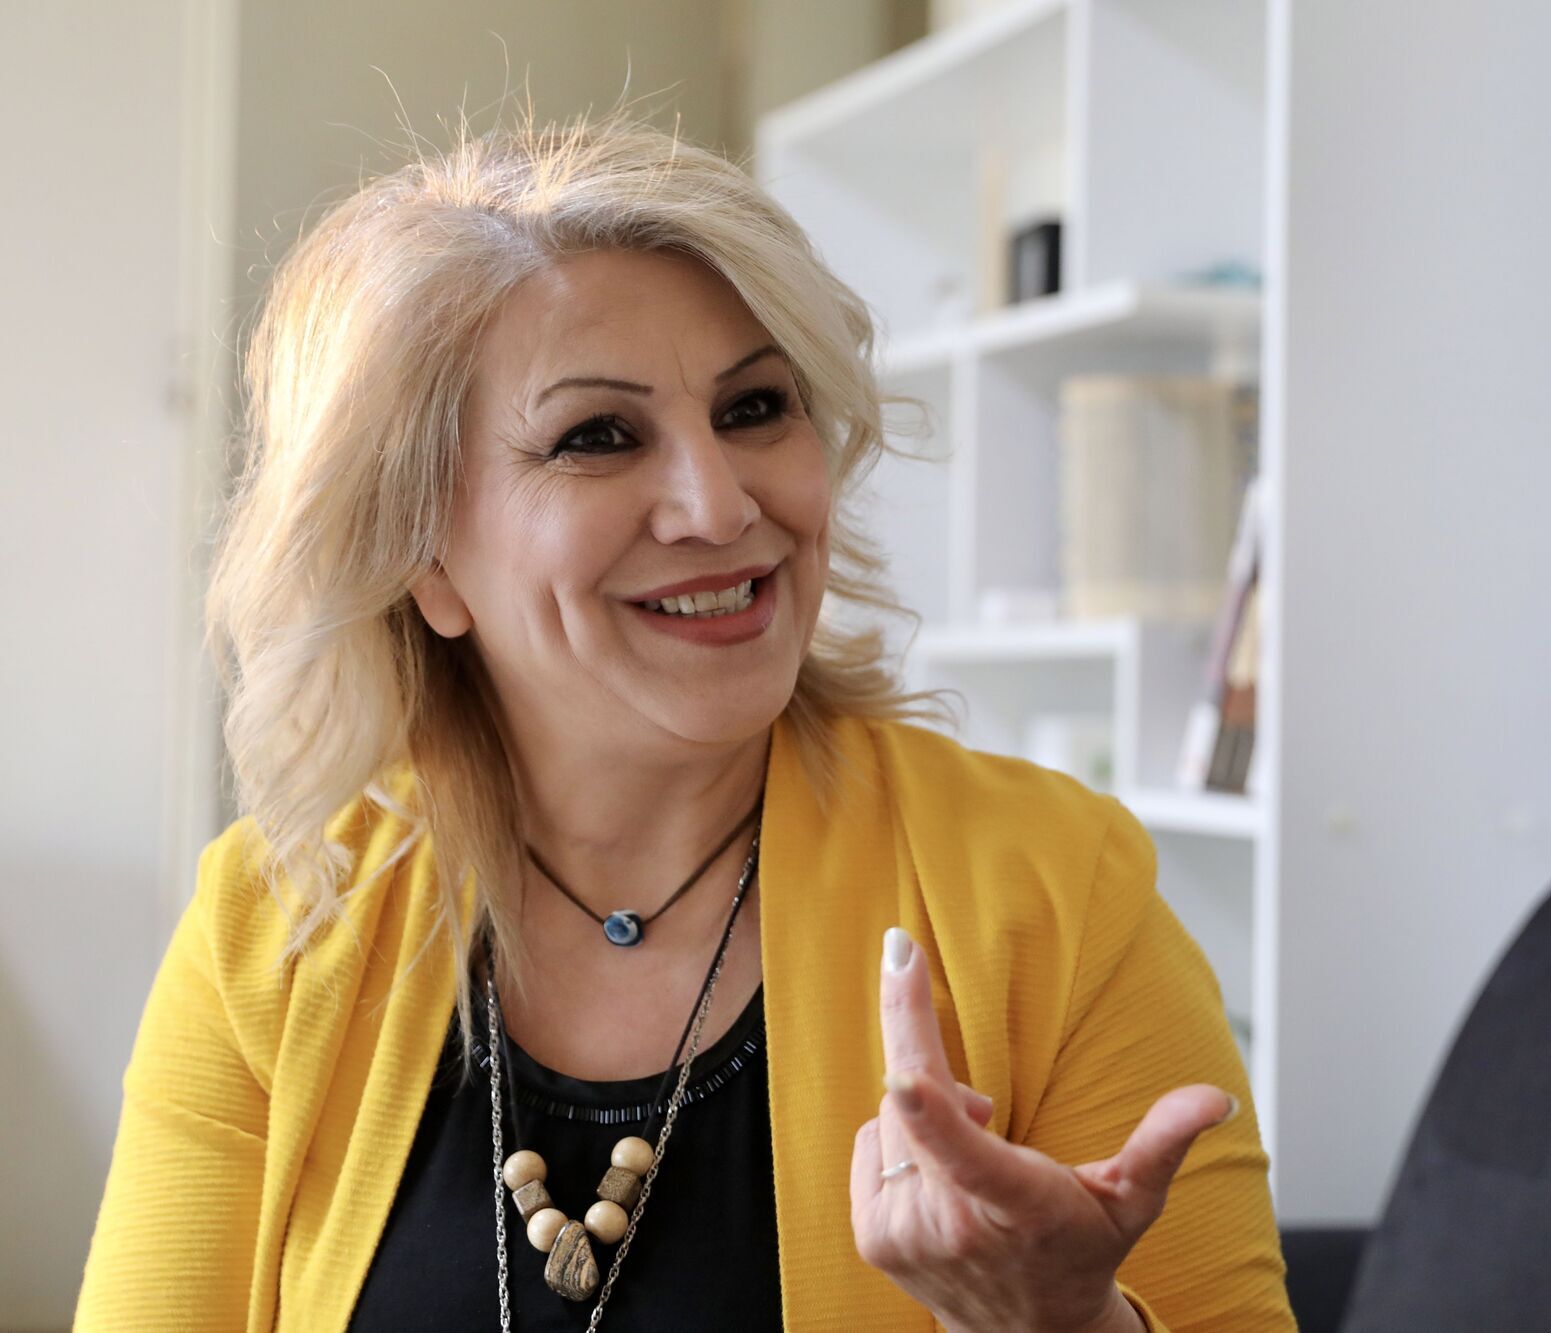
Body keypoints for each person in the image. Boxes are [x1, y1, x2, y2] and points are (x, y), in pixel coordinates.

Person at [73, 106, 1295, 1331]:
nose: (717, 506)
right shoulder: (273, 930)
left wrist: (1066, 1324)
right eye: (596, 437)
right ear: (423, 558)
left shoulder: (1051, 887)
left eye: (754, 407)